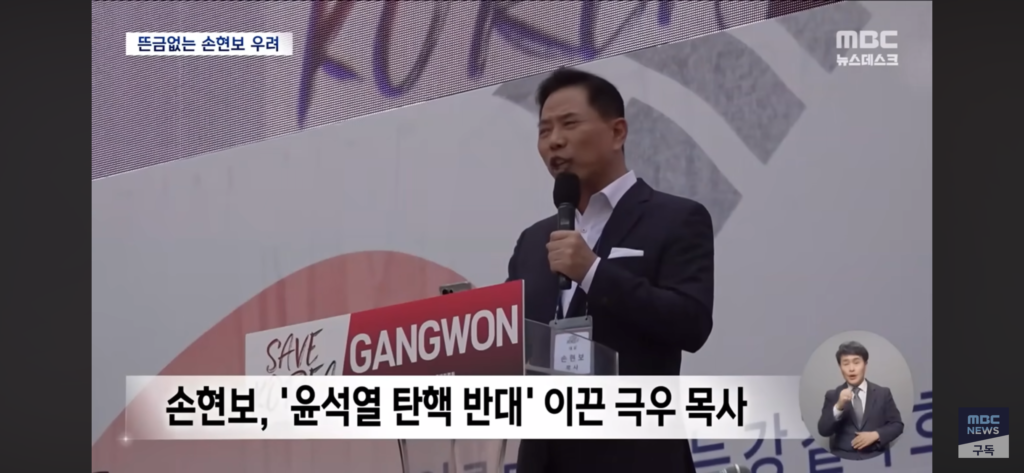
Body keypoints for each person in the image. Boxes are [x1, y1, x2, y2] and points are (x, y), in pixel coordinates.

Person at [506, 68, 715, 473]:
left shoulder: (675, 218)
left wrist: (593, 272)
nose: (555, 141)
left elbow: (691, 324)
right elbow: (517, 344)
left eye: (569, 124)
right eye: (545, 130)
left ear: (618, 132)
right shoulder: (533, 241)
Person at [816, 341, 904, 460]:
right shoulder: (832, 395)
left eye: (856, 362)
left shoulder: (883, 393)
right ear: (840, 367)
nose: (851, 369)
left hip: (876, 456)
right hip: (843, 458)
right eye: (845, 363)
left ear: (865, 364)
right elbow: (823, 431)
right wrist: (839, 406)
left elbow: (897, 425)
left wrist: (876, 435)